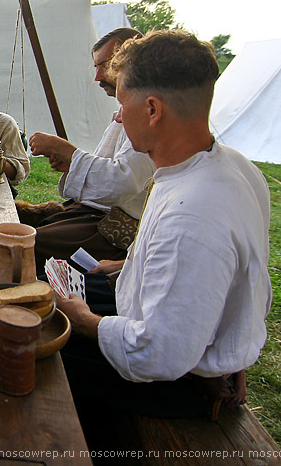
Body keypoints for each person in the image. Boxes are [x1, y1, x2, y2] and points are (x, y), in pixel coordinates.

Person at [57, 30, 271, 421]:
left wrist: (86, 321)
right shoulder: (235, 167)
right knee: (40, 288)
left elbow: (157, 354)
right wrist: (125, 267)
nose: (118, 115)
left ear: (153, 109)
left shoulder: (193, 214)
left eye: (123, 103)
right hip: (174, 337)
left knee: (30, 336)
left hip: (176, 379)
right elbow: (231, 278)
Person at [23, 28, 155, 272]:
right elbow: (112, 167)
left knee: (23, 246)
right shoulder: (126, 111)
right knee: (16, 226)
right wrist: (71, 163)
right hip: (92, 213)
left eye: (103, 66)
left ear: (127, 62)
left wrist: (68, 152)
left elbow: (123, 182)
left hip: (113, 227)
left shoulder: (147, 115)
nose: (97, 77)